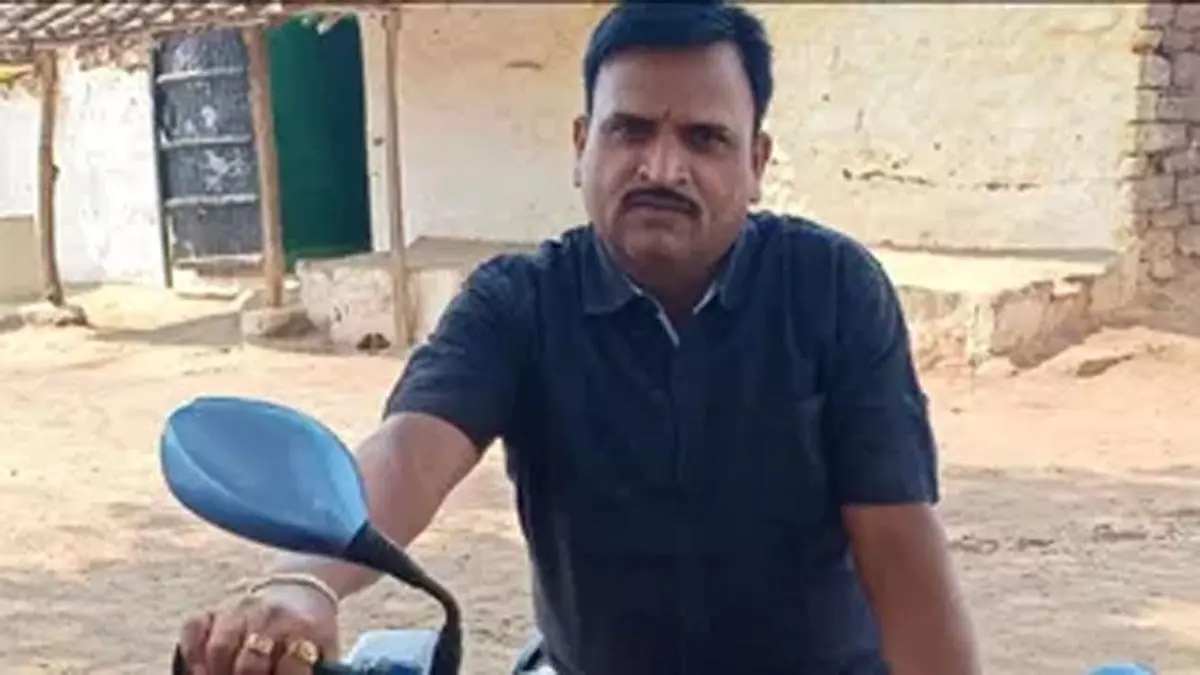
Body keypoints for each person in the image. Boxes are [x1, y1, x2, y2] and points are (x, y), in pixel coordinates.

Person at [178, 2, 980, 674]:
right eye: (629, 130)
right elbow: (409, 453)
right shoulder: (517, 301)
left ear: (758, 162)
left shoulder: (832, 288)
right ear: (580, 146)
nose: (661, 166)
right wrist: (307, 581)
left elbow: (898, 547)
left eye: (705, 138)